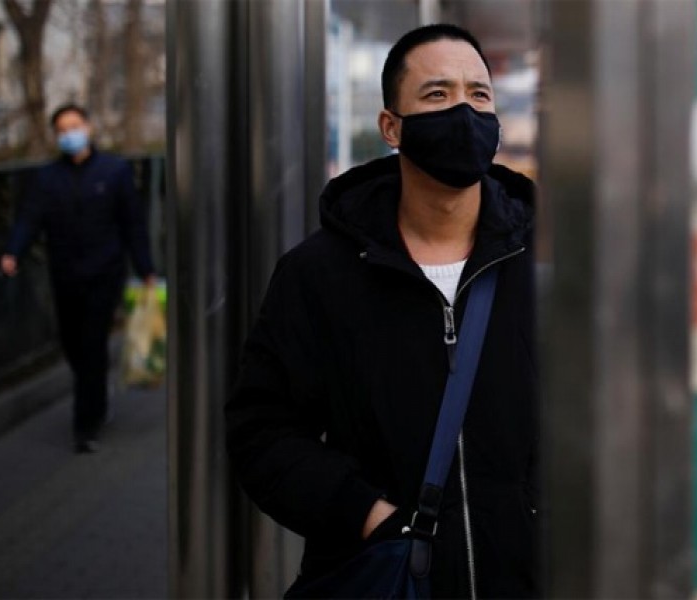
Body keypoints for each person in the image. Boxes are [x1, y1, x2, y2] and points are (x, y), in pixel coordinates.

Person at [226, 24, 538, 598]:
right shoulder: (319, 275)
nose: (464, 113)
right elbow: (261, 432)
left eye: (479, 94)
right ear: (391, 127)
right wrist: (366, 514)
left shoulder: (546, 265)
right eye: (438, 94)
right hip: (391, 578)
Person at [0, 103, 156, 454]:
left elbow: (132, 223)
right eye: (62, 129)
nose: (69, 134)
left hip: (104, 273)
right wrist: (13, 252)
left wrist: (145, 268)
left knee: (92, 344)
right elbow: (29, 218)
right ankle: (95, 392)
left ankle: (86, 424)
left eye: (74, 126)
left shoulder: (114, 171)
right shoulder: (47, 178)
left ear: (88, 127)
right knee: (73, 343)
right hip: (65, 273)